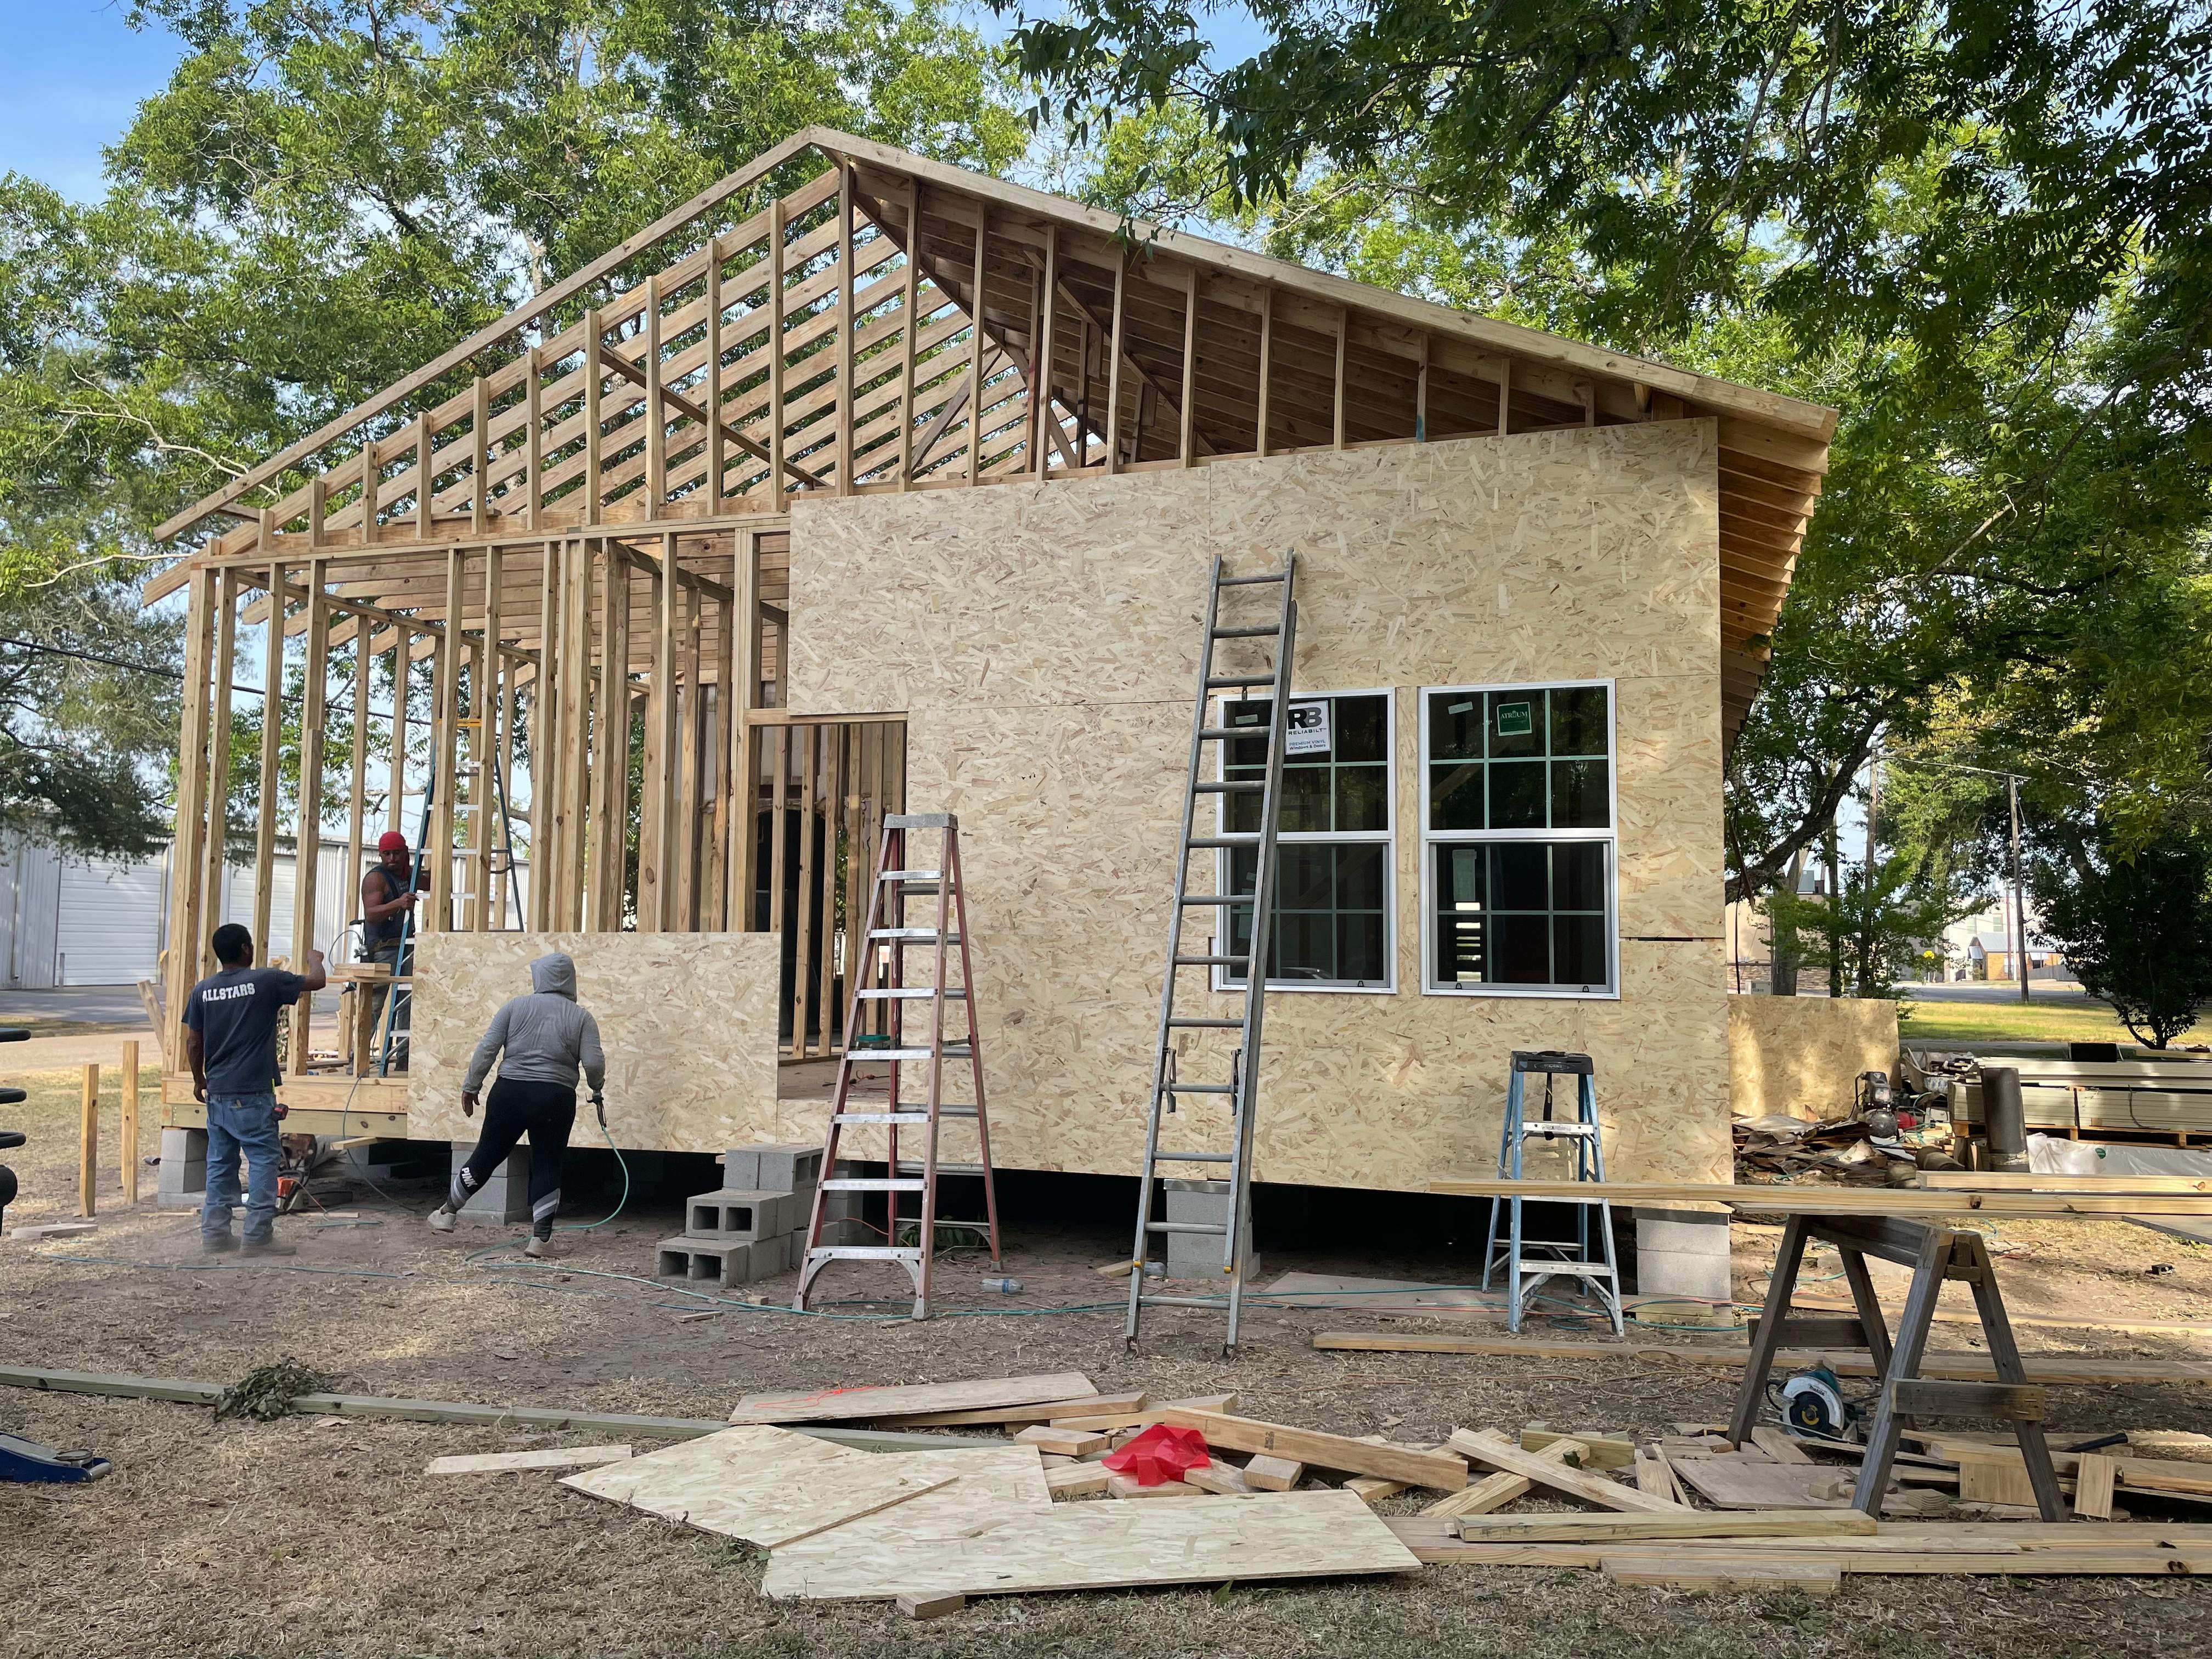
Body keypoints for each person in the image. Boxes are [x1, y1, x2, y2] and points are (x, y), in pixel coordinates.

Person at [428, 952, 604, 1259]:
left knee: (487, 1154)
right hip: (555, 1097)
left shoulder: (514, 1007)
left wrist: (471, 1086)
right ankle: (541, 1240)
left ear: (540, 978)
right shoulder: (581, 1017)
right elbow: (593, 1062)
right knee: (548, 1163)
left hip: (509, 1092)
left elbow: (487, 1049)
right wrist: (596, 1087)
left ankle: (448, 1213)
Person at [183, 922, 327, 1256]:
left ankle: (215, 1235)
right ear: (246, 949)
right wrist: (314, 958)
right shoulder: (265, 980)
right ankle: (257, 1236)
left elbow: (194, 1042)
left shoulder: (202, 990)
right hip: (253, 1094)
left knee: (220, 1164)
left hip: (218, 1094)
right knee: (262, 1161)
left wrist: (199, 1080)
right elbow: (317, 981)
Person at [360, 830, 428, 1066]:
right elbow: (371, 914)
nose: (391, 859)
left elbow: (433, 879)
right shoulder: (375, 879)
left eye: (396, 853)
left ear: (405, 853)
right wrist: (398, 904)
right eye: (386, 854)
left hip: (406, 947)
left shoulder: (409, 874)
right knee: (374, 1005)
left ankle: (404, 1059)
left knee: (406, 1004)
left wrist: (441, 852)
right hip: (381, 950)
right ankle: (357, 1059)